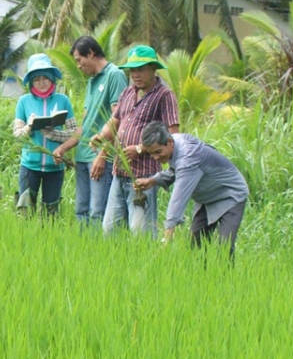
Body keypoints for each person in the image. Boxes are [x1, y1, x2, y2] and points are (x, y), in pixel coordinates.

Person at [90, 45, 179, 236]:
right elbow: (115, 121)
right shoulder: (128, 92)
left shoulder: (164, 96)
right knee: (109, 230)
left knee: (140, 232)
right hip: (119, 171)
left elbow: (172, 136)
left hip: (143, 176)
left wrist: (140, 148)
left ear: (153, 69)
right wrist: (101, 136)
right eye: (133, 70)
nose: (136, 75)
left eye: (141, 69)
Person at [135, 121, 249, 258]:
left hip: (230, 195)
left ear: (169, 142)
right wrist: (152, 181)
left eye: (158, 152)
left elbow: (178, 198)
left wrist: (166, 238)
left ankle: (226, 279)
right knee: (196, 246)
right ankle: (202, 277)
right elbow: (176, 170)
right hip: (207, 197)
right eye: (151, 154)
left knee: (224, 247)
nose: (155, 158)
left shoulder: (189, 156)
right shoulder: (175, 142)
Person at [52, 36, 128, 227]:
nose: (78, 66)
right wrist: (63, 148)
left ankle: (99, 253)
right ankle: (84, 253)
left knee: (97, 213)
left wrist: (103, 155)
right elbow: (85, 125)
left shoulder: (114, 75)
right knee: (81, 211)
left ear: (91, 53)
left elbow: (119, 120)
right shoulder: (91, 82)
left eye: (79, 60)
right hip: (83, 157)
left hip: (99, 159)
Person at [13, 53, 77, 217]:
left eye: (45, 78)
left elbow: (74, 133)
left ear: (52, 79)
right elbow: (17, 134)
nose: (41, 83)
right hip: (30, 167)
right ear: (31, 81)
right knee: (25, 211)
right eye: (36, 79)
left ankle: (47, 239)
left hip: (55, 166)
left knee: (51, 213)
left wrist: (54, 134)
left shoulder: (63, 101)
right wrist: (29, 127)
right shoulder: (24, 101)